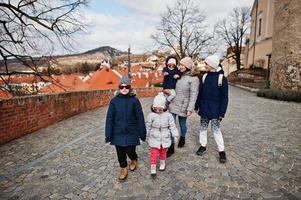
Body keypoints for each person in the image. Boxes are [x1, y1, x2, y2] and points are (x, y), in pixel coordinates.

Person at [105, 76, 146, 181]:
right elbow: (109, 118)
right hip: (117, 131)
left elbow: (140, 118)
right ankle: (123, 168)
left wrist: (142, 133)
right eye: (121, 87)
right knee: (120, 152)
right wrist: (108, 135)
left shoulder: (135, 101)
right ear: (119, 87)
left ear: (130, 87)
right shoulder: (114, 101)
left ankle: (133, 158)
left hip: (131, 131)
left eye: (126, 86)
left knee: (130, 150)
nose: (124, 89)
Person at [194, 55, 228, 163]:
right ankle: (203, 145)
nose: (205, 65)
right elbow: (201, 93)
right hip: (204, 108)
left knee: (216, 130)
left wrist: (222, 113)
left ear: (212, 65)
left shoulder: (222, 79)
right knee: (203, 128)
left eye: (206, 64)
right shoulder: (204, 77)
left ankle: (221, 151)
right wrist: (197, 106)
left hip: (215, 110)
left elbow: (225, 98)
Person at [167, 57, 199, 156]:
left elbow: (194, 95)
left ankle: (182, 137)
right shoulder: (179, 76)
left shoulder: (194, 79)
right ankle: (171, 146)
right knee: (170, 126)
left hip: (183, 106)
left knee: (182, 124)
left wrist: (190, 109)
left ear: (187, 66)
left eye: (182, 65)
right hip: (174, 103)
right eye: (179, 64)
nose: (179, 66)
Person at [146, 92, 179, 176]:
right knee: (154, 153)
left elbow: (172, 126)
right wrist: (145, 134)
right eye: (156, 109)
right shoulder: (151, 115)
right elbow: (148, 126)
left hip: (165, 137)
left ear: (164, 107)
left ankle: (162, 163)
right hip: (154, 137)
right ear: (153, 107)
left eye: (160, 109)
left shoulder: (168, 116)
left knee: (163, 152)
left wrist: (175, 135)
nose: (158, 111)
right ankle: (153, 166)